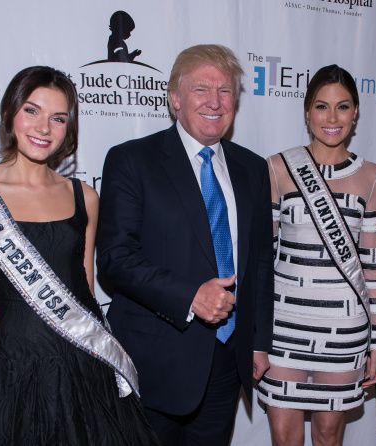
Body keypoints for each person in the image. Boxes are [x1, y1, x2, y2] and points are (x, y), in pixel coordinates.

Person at [0, 66, 158, 445]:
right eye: (32, 111)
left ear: (68, 128)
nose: (44, 127)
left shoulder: (85, 197)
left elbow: (87, 294)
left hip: (84, 372)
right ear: (10, 113)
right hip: (12, 375)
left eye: (58, 118)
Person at [96, 44, 274, 446]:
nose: (215, 101)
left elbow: (261, 264)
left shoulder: (252, 168)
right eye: (201, 89)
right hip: (154, 362)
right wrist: (189, 297)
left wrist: (259, 343)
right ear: (175, 98)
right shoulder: (132, 160)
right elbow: (115, 259)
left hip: (227, 364)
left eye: (225, 90)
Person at [258, 64, 376, 446]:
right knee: (284, 436)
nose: (332, 118)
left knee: (330, 436)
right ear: (306, 112)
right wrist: (256, 335)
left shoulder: (373, 177)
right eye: (321, 106)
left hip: (344, 328)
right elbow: (264, 257)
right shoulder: (278, 168)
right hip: (285, 326)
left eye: (343, 107)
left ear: (356, 113)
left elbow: (372, 267)